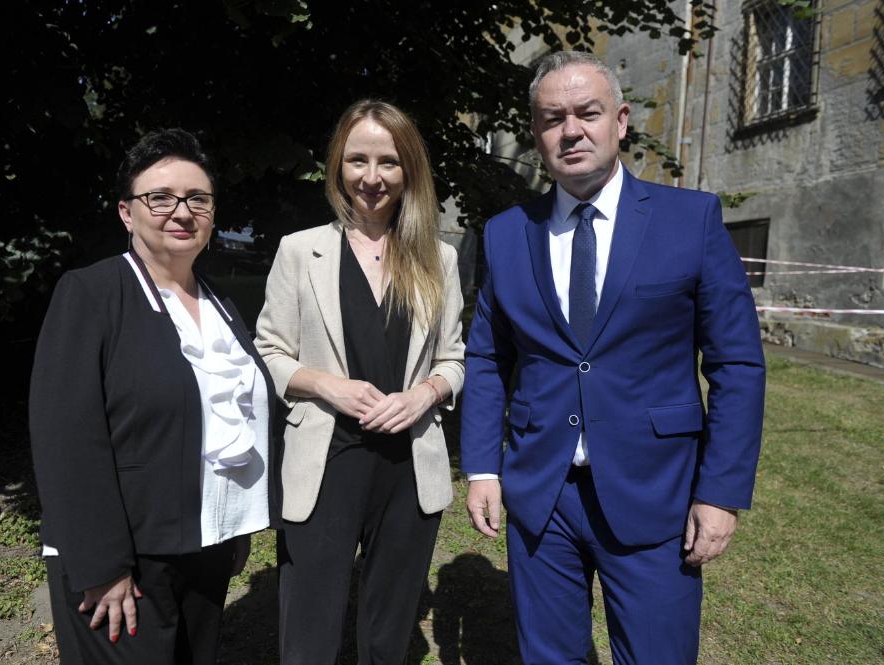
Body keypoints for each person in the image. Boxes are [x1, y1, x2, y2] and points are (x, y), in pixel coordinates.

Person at [461, 51, 766, 664]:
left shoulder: (691, 220)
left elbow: (736, 365)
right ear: (536, 133)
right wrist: (483, 469)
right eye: (553, 119)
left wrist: (720, 492)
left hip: (655, 491)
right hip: (542, 495)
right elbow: (488, 357)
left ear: (621, 121)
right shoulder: (506, 233)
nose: (571, 131)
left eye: (588, 113)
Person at [29, 128, 280, 665]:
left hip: (205, 546)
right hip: (123, 558)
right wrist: (102, 566)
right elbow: (65, 439)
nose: (181, 212)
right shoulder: (92, 293)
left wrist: (233, 530)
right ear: (127, 213)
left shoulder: (219, 302)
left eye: (197, 199)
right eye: (160, 198)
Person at [254, 99, 465, 665]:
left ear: (408, 170)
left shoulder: (439, 258)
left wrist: (425, 394)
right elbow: (268, 352)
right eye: (357, 160)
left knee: (389, 627)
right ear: (338, 166)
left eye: (388, 162)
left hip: (408, 464)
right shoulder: (299, 251)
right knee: (310, 623)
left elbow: (453, 359)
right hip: (328, 458)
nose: (372, 177)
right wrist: (328, 386)